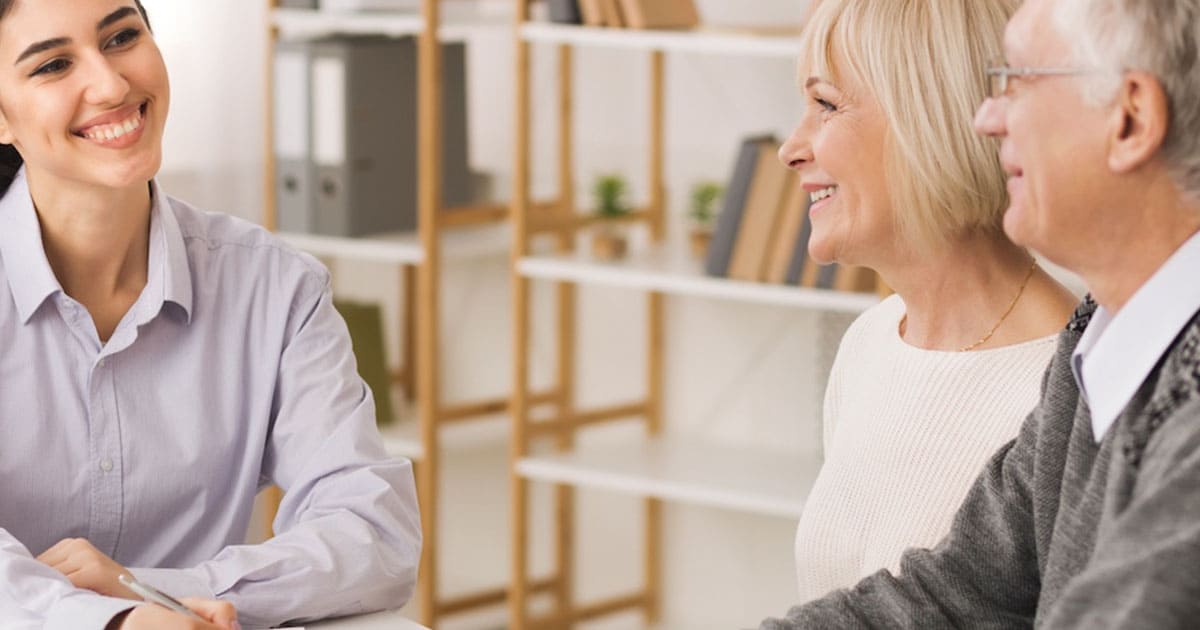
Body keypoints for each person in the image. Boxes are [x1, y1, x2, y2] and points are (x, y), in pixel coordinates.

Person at [760, 0, 1200, 626]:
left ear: (1130, 119)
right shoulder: (1098, 349)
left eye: (1017, 82)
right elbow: (955, 592)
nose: (985, 120)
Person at [0, 1, 421, 629]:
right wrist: (119, 622)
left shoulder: (276, 288)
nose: (112, 85)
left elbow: (373, 532)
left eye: (121, 37)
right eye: (55, 64)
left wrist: (151, 591)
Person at [777, 0, 1077, 601]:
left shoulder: (1068, 388)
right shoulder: (871, 341)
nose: (791, 148)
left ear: (932, 119)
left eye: (827, 105)